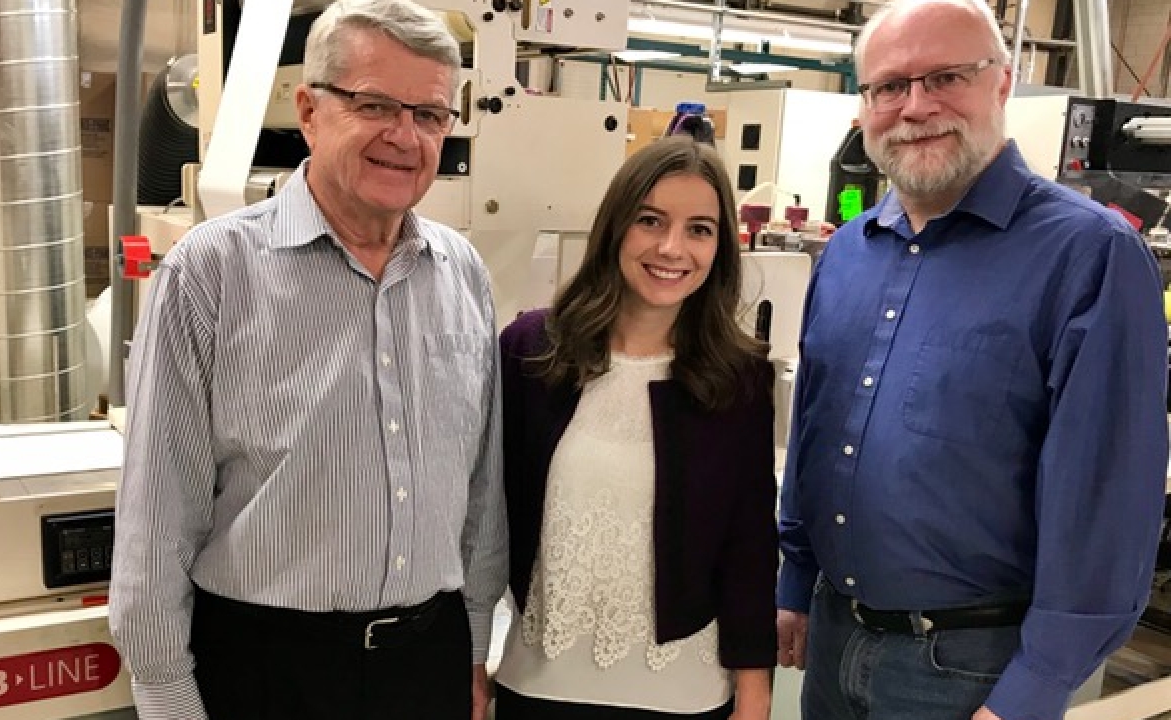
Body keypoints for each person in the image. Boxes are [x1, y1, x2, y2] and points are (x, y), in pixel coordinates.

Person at [108, 1, 507, 718]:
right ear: (310, 109)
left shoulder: (463, 273)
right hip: (268, 669)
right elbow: (157, 517)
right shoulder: (212, 272)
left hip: (428, 658)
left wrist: (473, 648)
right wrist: (167, 695)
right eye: (375, 104)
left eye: (430, 115)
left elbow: (480, 489)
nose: (405, 136)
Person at [776, 1, 1169, 719]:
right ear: (864, 106)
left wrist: (1034, 689)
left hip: (969, 672)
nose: (915, 106)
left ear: (1002, 83)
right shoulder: (847, 255)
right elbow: (814, 430)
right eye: (889, 87)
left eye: (946, 76)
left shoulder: (1089, 256)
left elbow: (1107, 497)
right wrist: (794, 583)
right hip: (835, 641)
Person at [495, 136, 778, 720]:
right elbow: (484, 514)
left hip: (681, 693)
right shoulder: (531, 353)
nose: (673, 248)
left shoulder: (738, 378)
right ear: (616, 226)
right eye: (651, 220)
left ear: (721, 246)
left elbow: (749, 547)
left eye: (700, 229)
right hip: (539, 686)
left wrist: (755, 692)